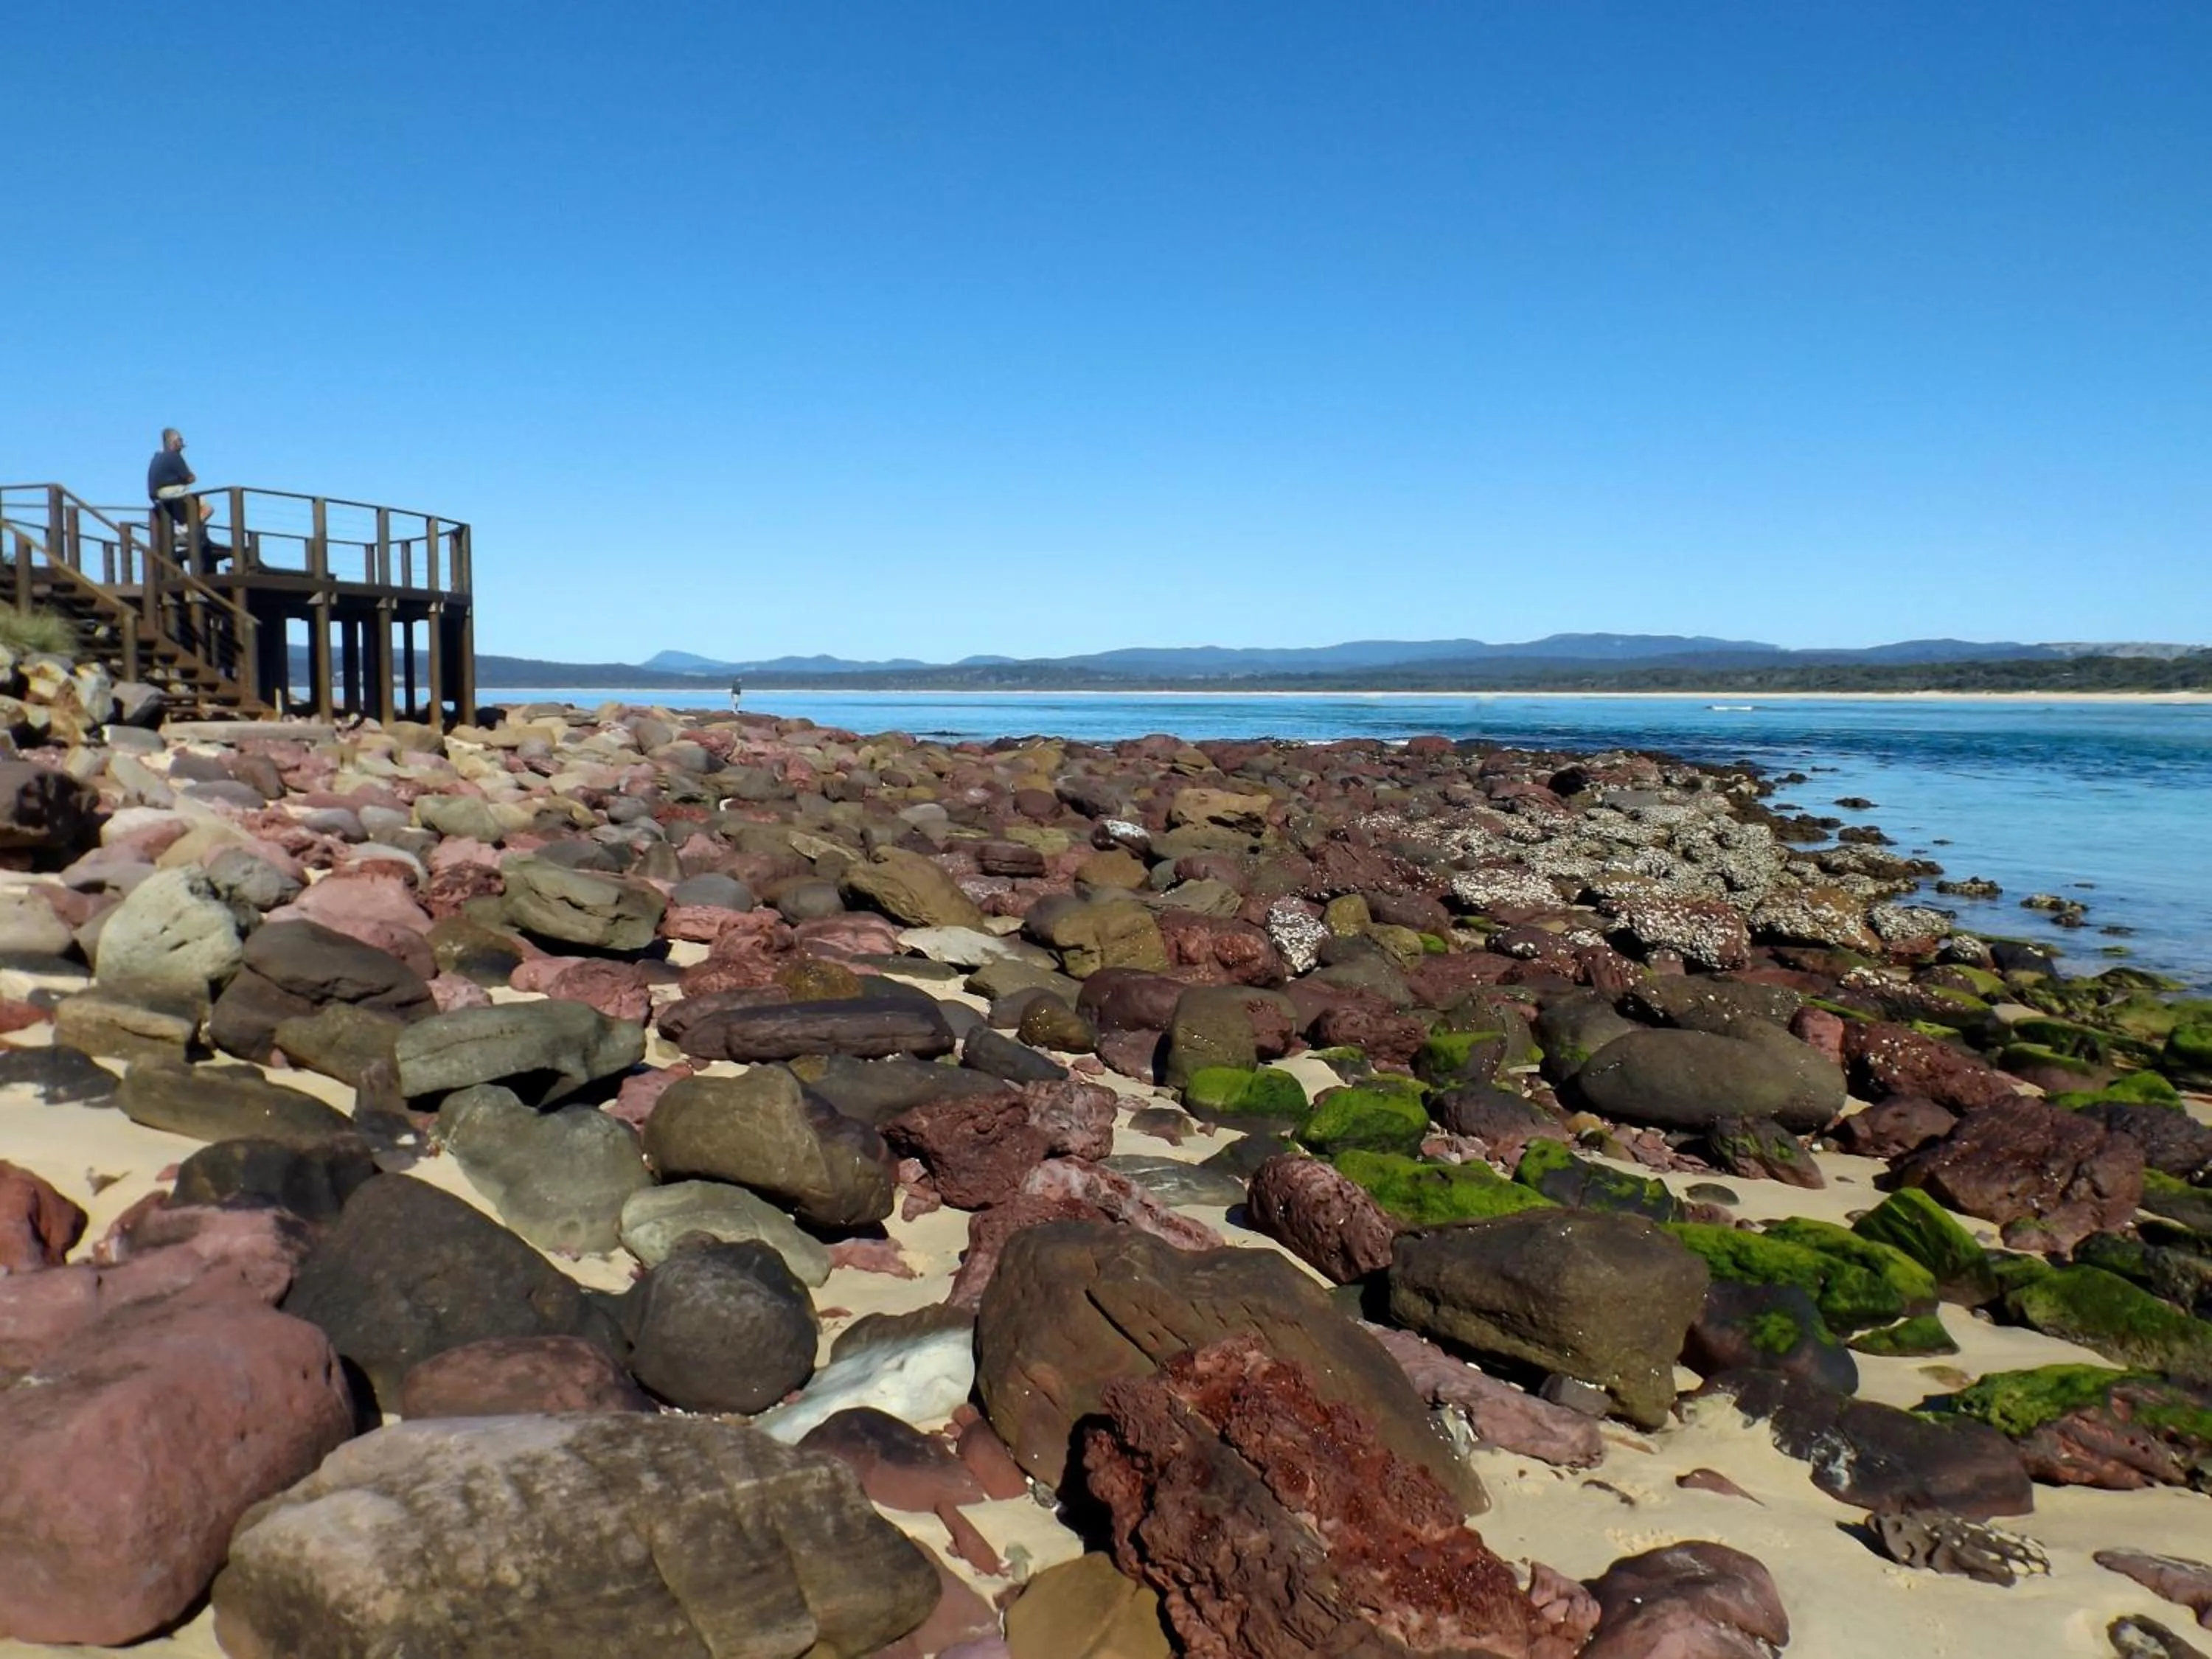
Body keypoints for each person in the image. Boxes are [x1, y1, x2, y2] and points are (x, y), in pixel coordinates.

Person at [145, 428, 226, 571]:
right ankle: (185, 530)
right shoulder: (174, 457)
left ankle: (186, 531)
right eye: (180, 442)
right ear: (174, 442)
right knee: (207, 509)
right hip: (175, 495)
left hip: (160, 500)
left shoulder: (155, 459)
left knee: (193, 515)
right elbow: (190, 478)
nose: (182, 447)